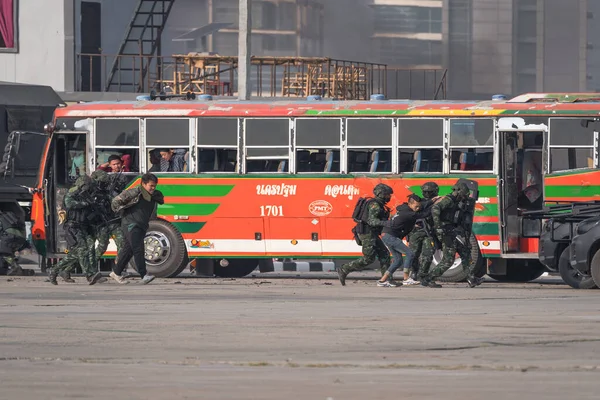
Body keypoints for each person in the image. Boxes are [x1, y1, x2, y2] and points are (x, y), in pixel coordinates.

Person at [425, 181, 485, 288]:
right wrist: (438, 227)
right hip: (444, 232)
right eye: (463, 195)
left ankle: (471, 278)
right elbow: (435, 209)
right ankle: (429, 278)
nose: (464, 197)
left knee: (465, 252)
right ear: (458, 192)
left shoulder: (457, 201)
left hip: (451, 231)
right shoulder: (448, 200)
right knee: (448, 260)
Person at [48, 176, 105, 285]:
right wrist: (85, 204)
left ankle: (55, 270)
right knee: (82, 249)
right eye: (87, 185)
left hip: (83, 226)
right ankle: (89, 275)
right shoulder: (72, 193)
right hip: (73, 227)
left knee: (86, 248)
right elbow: (69, 204)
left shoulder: (86, 195)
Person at [109, 173, 165, 285]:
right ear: (143, 184)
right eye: (151, 185)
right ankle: (143, 275)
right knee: (138, 248)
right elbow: (115, 202)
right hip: (130, 224)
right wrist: (122, 211)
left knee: (128, 250)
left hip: (142, 225)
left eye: (155, 186)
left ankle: (116, 272)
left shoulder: (153, 196)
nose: (153, 188)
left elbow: (159, 202)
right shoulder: (134, 192)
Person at [337, 183, 393, 286]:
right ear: (381, 194)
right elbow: (372, 221)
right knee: (369, 258)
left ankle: (386, 279)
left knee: (384, 254)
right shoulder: (374, 205)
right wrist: (386, 223)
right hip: (367, 233)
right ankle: (344, 269)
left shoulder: (378, 204)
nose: (389, 197)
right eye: (387, 195)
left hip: (372, 233)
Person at [378, 194, 437, 287]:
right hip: (390, 236)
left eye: (419, 206)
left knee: (398, 260)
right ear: (410, 204)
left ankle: (382, 281)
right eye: (416, 206)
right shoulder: (408, 213)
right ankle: (406, 279)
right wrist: (435, 205)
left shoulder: (404, 208)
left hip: (386, 234)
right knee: (410, 254)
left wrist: (432, 200)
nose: (417, 208)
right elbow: (424, 214)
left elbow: (421, 208)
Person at [408, 182, 440, 284]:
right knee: (414, 254)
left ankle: (422, 275)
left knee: (428, 255)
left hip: (428, 232)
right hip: (416, 232)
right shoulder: (419, 202)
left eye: (428, 192)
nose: (427, 193)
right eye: (425, 192)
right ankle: (415, 272)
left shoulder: (437, 202)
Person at [0, 209, 34, 276]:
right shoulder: (9, 216)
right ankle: (21, 270)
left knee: (3, 253)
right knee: (7, 253)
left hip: (10, 238)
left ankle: (15, 267)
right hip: (20, 239)